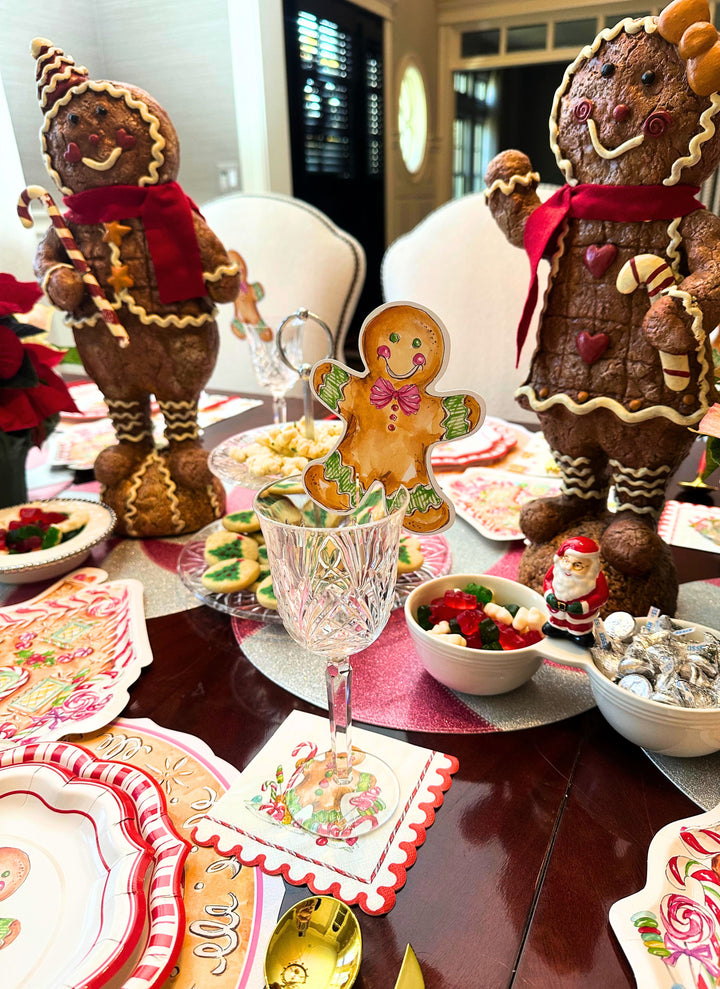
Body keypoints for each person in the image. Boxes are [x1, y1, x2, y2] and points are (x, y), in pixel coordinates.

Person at [542, 536, 608, 647]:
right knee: (556, 621)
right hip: (557, 611)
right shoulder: (557, 569)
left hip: (581, 617)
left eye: (577, 565)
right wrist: (549, 595)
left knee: (580, 626)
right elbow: (547, 580)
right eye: (566, 560)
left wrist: (584, 606)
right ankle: (557, 627)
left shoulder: (595, 577)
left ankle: (580, 634)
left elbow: (602, 595)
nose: (568, 568)